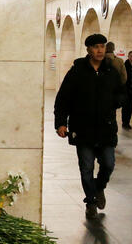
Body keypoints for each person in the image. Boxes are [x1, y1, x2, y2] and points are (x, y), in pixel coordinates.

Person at [54, 33, 127, 219]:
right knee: (86, 167)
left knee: (108, 164)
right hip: (83, 128)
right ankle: (90, 201)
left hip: (106, 128)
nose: (100, 50)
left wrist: (116, 101)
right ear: (88, 49)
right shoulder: (77, 71)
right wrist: (61, 123)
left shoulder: (111, 71)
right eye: (96, 47)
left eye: (102, 46)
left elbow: (121, 92)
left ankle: (99, 187)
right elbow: (63, 99)